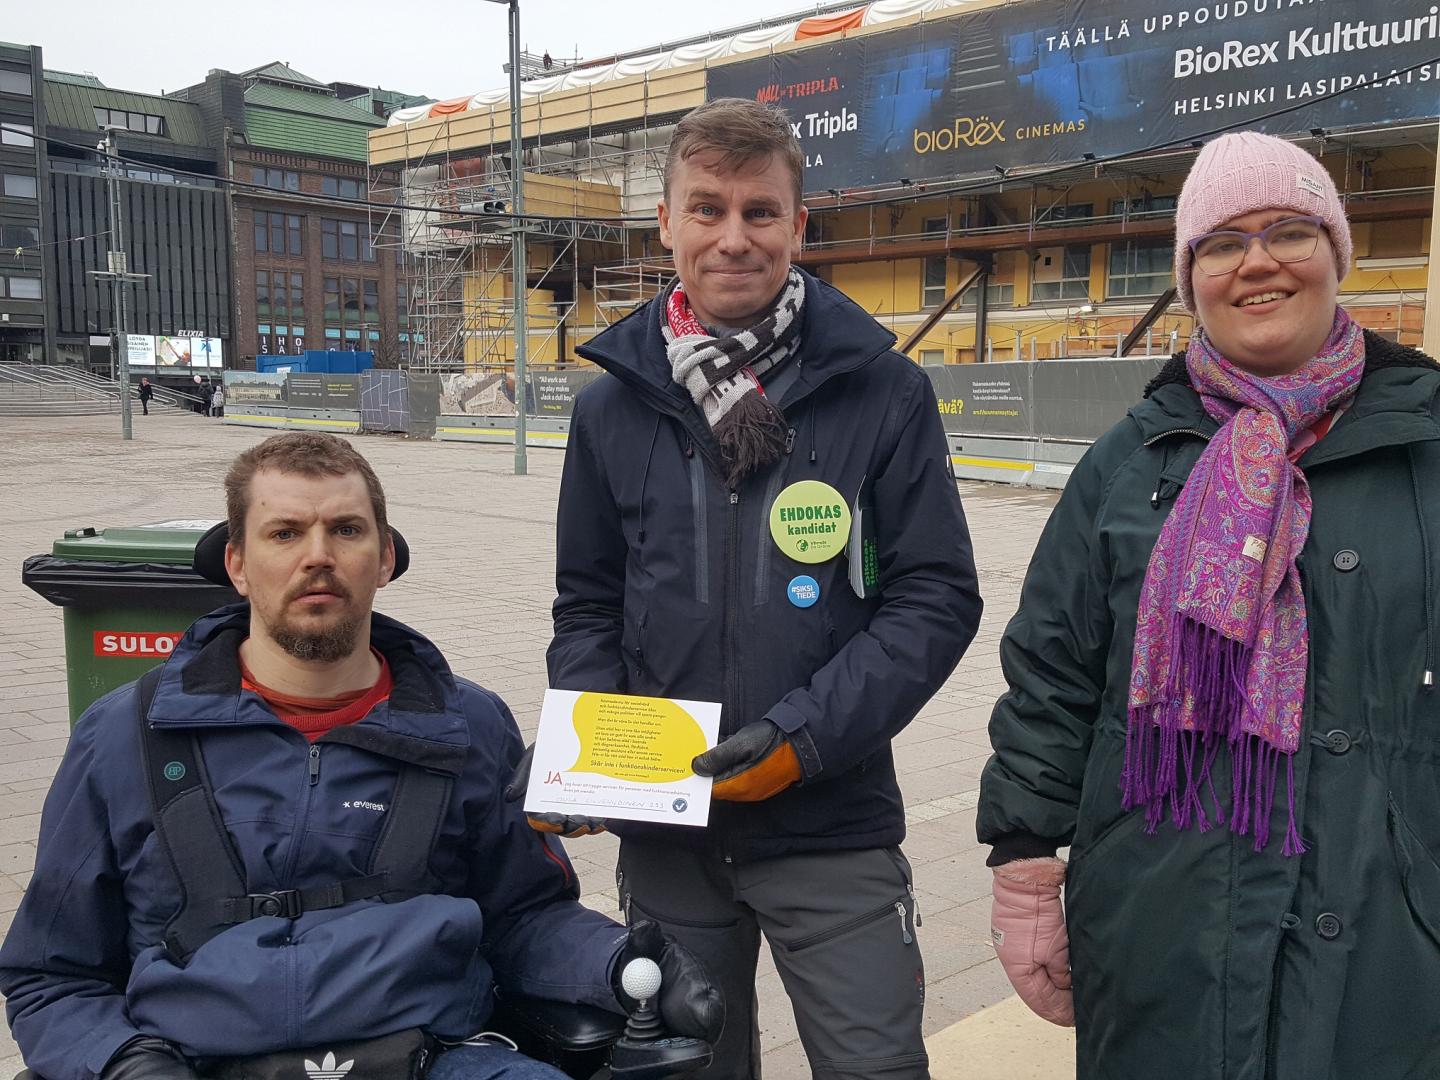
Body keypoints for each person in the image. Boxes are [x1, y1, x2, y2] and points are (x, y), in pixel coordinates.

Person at [0, 432, 721, 1080]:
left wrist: (622, 962)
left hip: (438, 1055)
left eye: (345, 530)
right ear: (238, 565)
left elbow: (523, 917)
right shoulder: (122, 736)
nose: (317, 555)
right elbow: (50, 975)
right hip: (195, 1061)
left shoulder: (469, 725)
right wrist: (122, 1062)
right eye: (285, 532)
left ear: (385, 560)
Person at [532, 98, 983, 1078]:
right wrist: (589, 751)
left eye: (759, 211)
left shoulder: (883, 392)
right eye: (707, 209)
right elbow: (589, 604)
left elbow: (935, 597)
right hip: (670, 838)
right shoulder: (611, 409)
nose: (733, 237)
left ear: (797, 225)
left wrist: (802, 741)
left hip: (833, 823)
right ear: (667, 222)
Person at [977, 131, 1440, 1079]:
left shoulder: (1428, 446)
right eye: (1223, 243)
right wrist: (1024, 865)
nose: (1257, 262)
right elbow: (1053, 674)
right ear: (1192, 279)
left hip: (1394, 941)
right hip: (1163, 932)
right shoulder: (1130, 459)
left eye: (1289, 231)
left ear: (1336, 254)